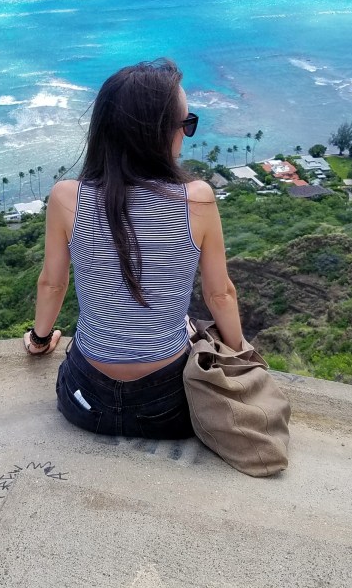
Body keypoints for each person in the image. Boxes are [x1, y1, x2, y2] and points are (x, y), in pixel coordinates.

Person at [23, 58, 244, 439]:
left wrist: (41, 339)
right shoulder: (198, 199)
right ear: (161, 133)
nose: (186, 134)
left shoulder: (65, 197)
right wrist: (239, 357)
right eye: (186, 124)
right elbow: (219, 293)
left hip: (83, 401)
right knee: (188, 326)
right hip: (168, 405)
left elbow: (52, 285)